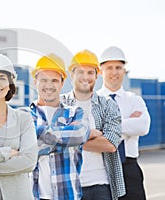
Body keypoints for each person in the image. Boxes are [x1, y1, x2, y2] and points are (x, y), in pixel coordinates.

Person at [61, 49, 126, 200]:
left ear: (97, 76)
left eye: (90, 72)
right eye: (80, 72)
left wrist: (70, 139)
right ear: (72, 75)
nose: (86, 77)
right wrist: (91, 134)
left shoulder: (108, 105)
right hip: (67, 184)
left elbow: (110, 144)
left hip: (100, 185)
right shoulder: (60, 105)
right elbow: (52, 139)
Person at [0, 53, 38, 200]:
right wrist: (6, 153)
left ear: (10, 84)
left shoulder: (24, 119)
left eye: (2, 78)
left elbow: (29, 162)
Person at [29, 53, 90, 200]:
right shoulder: (23, 115)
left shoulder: (76, 113)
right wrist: (64, 139)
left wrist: (36, 134)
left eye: (54, 80)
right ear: (35, 81)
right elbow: (22, 150)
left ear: (62, 83)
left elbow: (80, 134)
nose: (49, 85)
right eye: (43, 80)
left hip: (68, 195)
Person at [97, 46, 151, 200]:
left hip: (130, 169)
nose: (114, 72)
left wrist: (108, 127)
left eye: (118, 68)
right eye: (109, 68)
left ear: (124, 71)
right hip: (102, 169)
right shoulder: (94, 101)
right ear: (101, 72)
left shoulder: (134, 100)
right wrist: (128, 123)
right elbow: (92, 130)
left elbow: (143, 126)